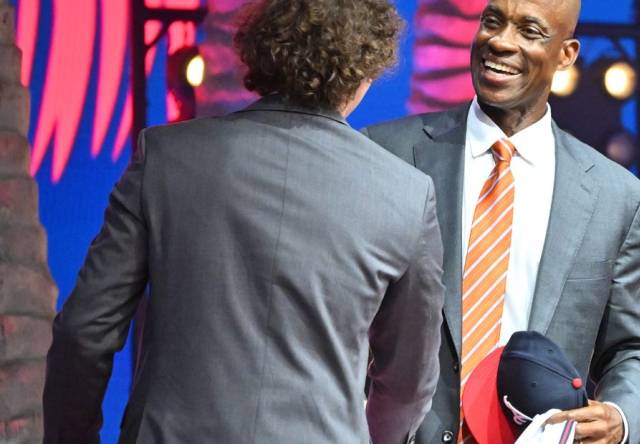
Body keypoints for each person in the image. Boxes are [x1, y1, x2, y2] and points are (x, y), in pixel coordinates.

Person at [43, 1, 445, 443]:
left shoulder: (166, 158)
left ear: (263, 50)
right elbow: (409, 384)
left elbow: (84, 333)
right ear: (368, 67)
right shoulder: (405, 195)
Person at [362, 0, 640, 442]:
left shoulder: (617, 198)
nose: (501, 41)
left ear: (566, 55)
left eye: (530, 30)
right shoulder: (387, 155)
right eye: (492, 21)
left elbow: (635, 351)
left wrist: (620, 415)